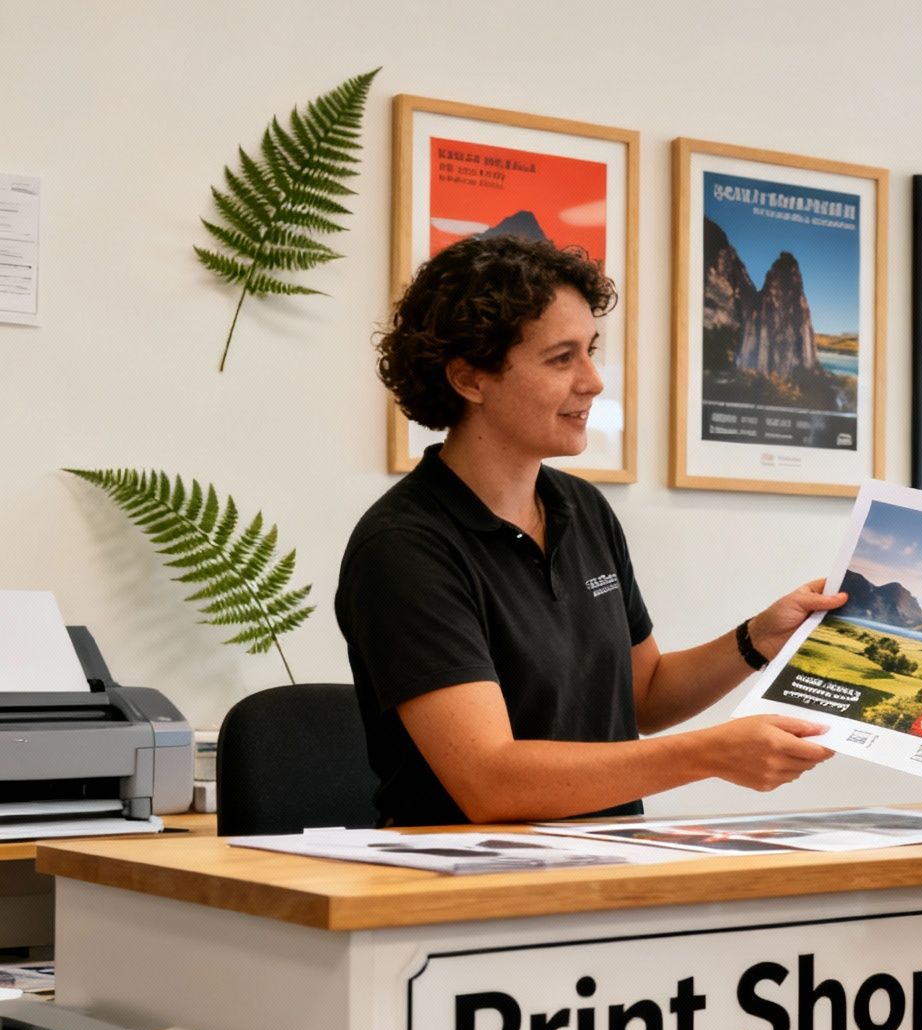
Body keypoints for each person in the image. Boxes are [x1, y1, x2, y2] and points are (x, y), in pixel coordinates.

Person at [338, 234, 841, 826]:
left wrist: (759, 638)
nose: (594, 381)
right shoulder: (404, 547)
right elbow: (490, 781)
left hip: (604, 862)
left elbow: (644, 696)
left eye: (590, 351)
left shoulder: (581, 509)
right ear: (470, 380)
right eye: (562, 358)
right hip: (468, 876)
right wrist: (709, 754)